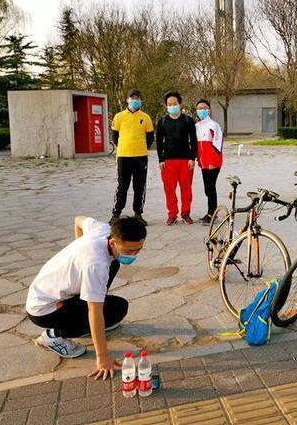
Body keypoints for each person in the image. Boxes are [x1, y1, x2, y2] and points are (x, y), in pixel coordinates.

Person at [26, 216, 146, 380]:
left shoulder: (103, 230)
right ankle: (53, 336)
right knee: (115, 310)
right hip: (44, 309)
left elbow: (77, 220)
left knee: (115, 269)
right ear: (113, 242)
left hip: (52, 294)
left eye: (138, 249)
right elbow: (94, 311)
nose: (133, 255)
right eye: (129, 251)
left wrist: (81, 249)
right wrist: (102, 356)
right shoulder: (96, 265)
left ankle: (83, 321)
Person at [110, 89, 154, 226]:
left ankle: (138, 213)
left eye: (137, 98)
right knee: (122, 186)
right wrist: (124, 147)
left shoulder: (146, 117)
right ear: (127, 100)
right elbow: (115, 136)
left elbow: (150, 137)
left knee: (139, 186)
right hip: (124, 156)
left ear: (141, 101)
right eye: (132, 98)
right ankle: (116, 214)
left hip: (141, 157)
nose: (135, 101)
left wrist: (140, 147)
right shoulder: (119, 117)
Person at [156, 91, 198, 225]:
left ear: (179, 104)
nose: (172, 106)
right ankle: (172, 214)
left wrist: (192, 158)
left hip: (185, 160)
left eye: (174, 103)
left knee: (186, 189)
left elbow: (194, 140)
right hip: (168, 161)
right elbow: (158, 141)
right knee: (169, 189)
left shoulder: (188, 120)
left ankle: (185, 213)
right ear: (166, 106)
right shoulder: (162, 122)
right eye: (169, 104)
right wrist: (161, 159)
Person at [195, 99, 223, 224]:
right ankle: (210, 212)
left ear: (209, 110)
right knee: (207, 188)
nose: (201, 110)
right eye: (199, 108)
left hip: (213, 163)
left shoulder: (214, 125)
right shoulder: (196, 126)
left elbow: (217, 144)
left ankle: (212, 214)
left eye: (204, 107)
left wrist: (213, 161)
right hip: (203, 163)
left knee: (211, 188)